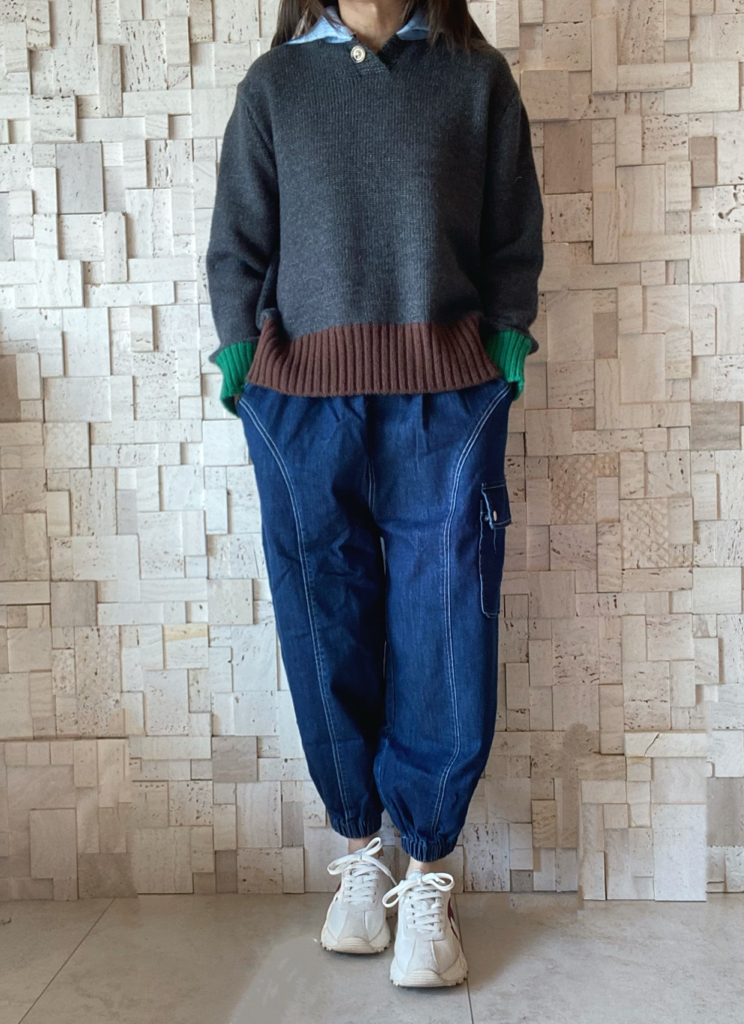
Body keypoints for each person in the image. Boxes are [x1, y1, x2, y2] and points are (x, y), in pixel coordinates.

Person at [205, 0, 543, 988]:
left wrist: (504, 349)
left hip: (448, 397)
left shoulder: (474, 80)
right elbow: (237, 239)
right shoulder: (275, 85)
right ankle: (359, 851)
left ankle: (427, 869)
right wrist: (241, 359)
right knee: (324, 620)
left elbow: (512, 232)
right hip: (300, 405)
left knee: (445, 622)